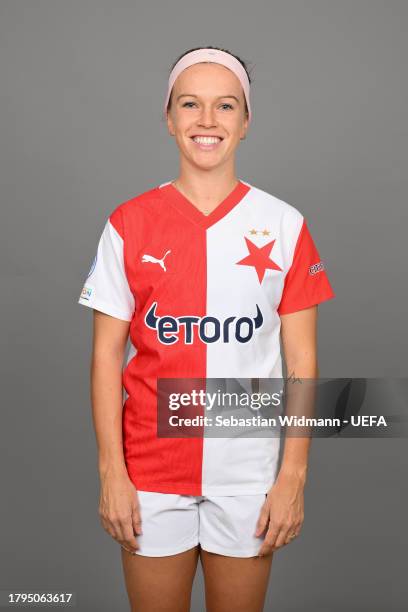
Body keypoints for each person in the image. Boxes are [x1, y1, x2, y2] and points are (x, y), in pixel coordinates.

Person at [78, 46, 335, 612]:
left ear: (246, 122)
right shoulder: (128, 223)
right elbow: (105, 359)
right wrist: (111, 474)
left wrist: (293, 477)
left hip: (248, 474)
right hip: (149, 471)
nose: (207, 121)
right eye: (190, 104)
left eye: (225, 106)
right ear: (169, 118)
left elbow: (302, 364)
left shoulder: (284, 225)